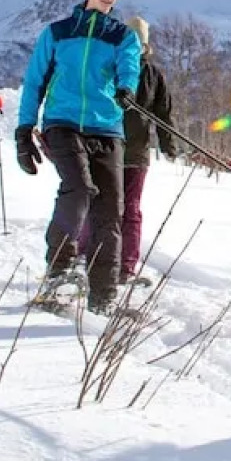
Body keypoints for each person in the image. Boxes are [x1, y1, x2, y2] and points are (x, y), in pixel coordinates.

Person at [15, 0, 142, 314]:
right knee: (80, 188)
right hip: (63, 121)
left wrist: (126, 88)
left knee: (110, 211)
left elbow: (129, 66)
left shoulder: (122, 35)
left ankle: (103, 296)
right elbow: (34, 81)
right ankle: (59, 269)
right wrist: (24, 131)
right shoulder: (57, 32)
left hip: (107, 126)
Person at [78, 15, 175, 286]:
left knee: (130, 210)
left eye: (139, 44)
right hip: (104, 148)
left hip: (135, 152)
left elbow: (163, 112)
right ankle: (85, 255)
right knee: (100, 205)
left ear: (145, 46)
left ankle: (127, 266)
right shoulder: (105, 68)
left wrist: (168, 143)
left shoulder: (154, 75)